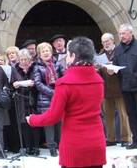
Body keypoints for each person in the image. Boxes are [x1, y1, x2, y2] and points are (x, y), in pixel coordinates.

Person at [27, 37, 106, 168]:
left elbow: (53, 116)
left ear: (73, 56)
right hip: (96, 141)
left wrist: (33, 119)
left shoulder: (64, 83)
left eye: (68, 55)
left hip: (74, 144)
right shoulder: (98, 80)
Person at [98, 33, 131, 146]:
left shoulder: (120, 52)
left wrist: (115, 69)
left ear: (113, 40)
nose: (106, 44)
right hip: (106, 89)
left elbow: (127, 67)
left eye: (107, 41)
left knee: (123, 114)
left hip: (120, 87)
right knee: (108, 115)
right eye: (103, 42)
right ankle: (110, 139)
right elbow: (98, 73)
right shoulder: (100, 55)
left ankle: (125, 138)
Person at [33, 42, 64, 157]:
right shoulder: (37, 67)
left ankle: (62, 145)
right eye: (43, 51)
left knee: (60, 123)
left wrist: (60, 91)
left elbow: (64, 77)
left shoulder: (58, 64)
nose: (46, 53)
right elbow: (38, 83)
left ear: (51, 52)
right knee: (49, 124)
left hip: (59, 97)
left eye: (48, 51)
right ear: (39, 54)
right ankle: (52, 147)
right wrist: (52, 92)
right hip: (45, 99)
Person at [13, 49, 40, 156]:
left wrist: (20, 83)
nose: (23, 61)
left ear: (29, 59)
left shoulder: (35, 68)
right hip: (21, 100)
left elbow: (34, 82)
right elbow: (13, 84)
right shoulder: (15, 69)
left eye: (25, 59)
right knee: (24, 124)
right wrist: (22, 83)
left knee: (35, 123)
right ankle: (28, 147)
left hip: (34, 98)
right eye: (21, 59)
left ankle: (36, 147)